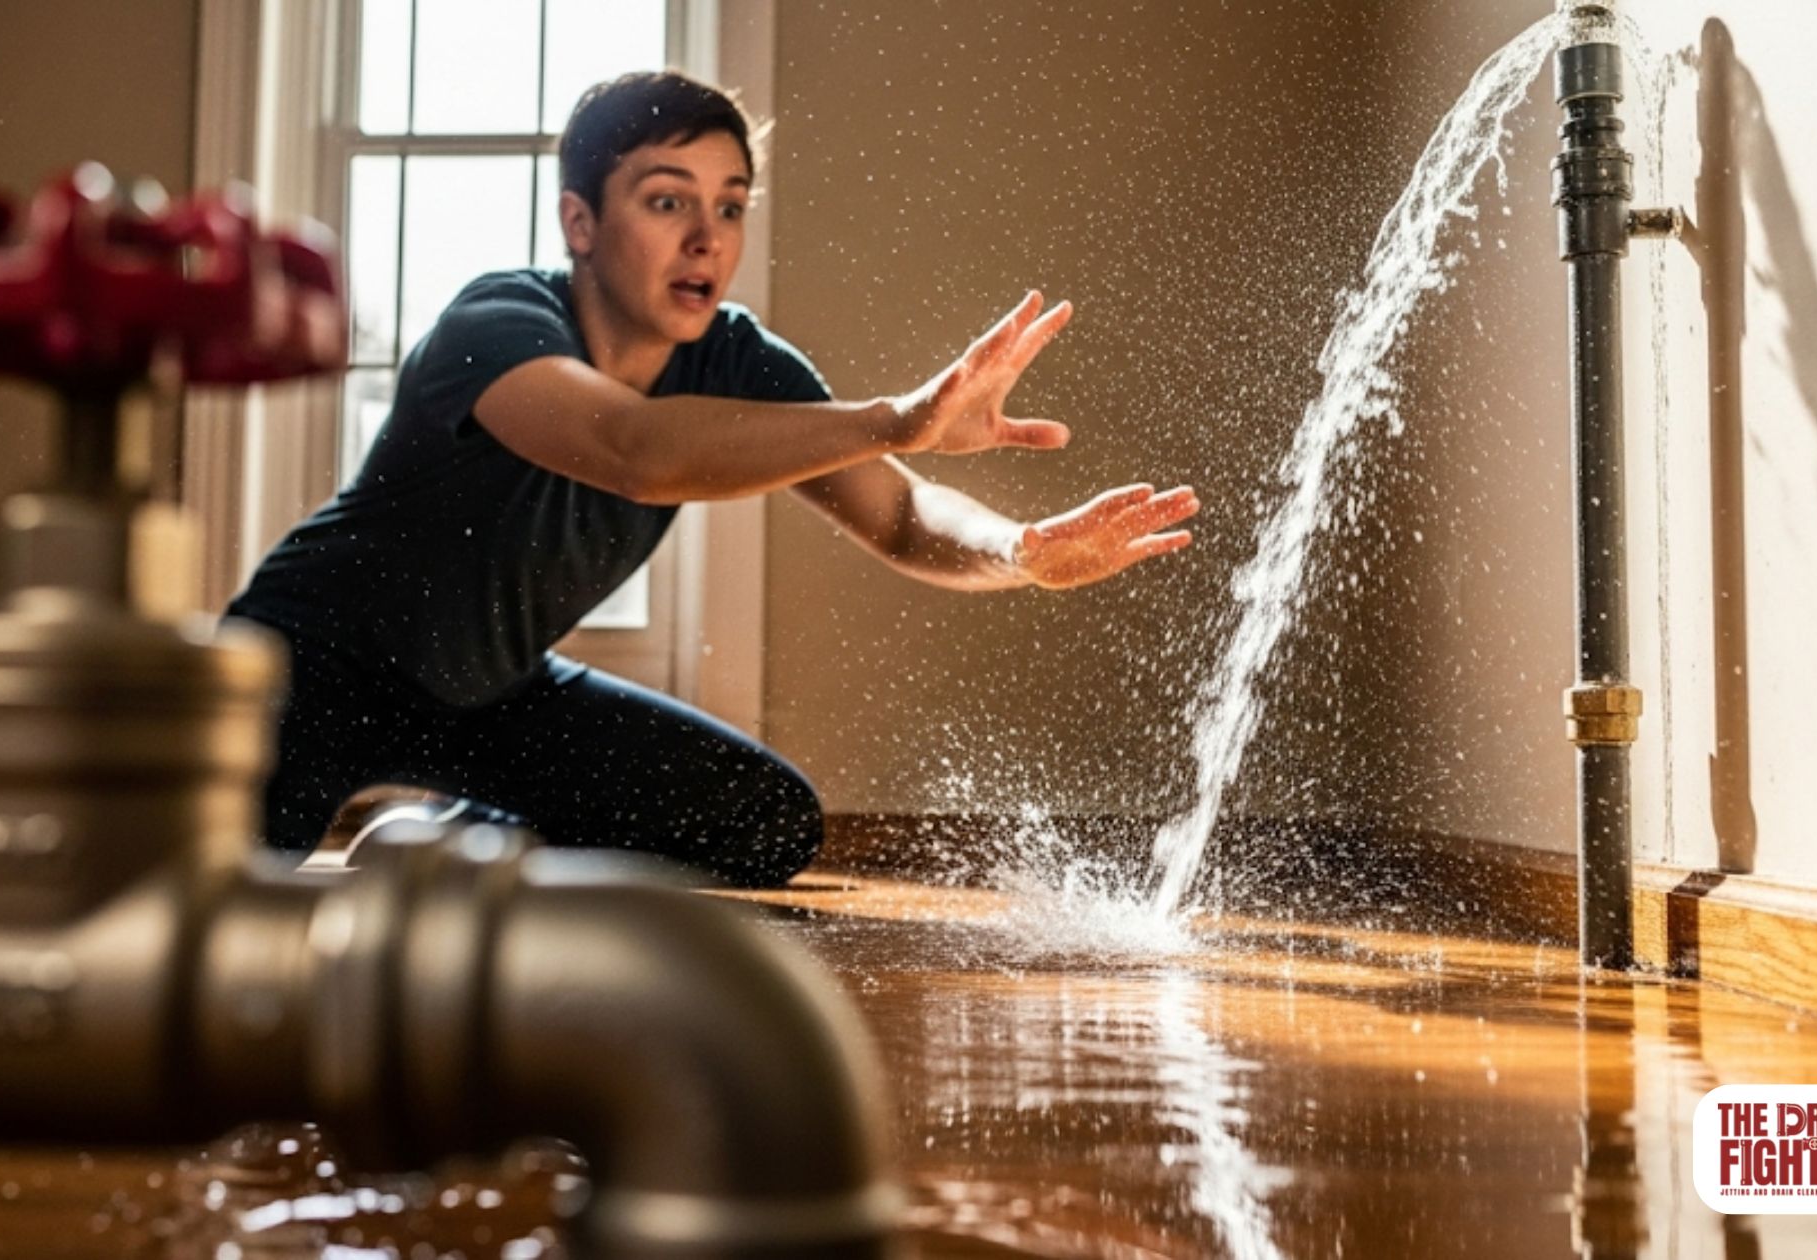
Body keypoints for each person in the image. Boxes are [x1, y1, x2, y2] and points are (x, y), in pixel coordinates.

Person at [226, 70, 1200, 887]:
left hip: (487, 693)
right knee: (205, 913)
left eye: (729, 205)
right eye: (667, 200)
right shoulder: (494, 324)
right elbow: (635, 452)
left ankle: (443, 841)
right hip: (308, 671)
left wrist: (1019, 552)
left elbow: (899, 517)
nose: (708, 238)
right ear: (579, 221)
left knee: (763, 822)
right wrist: (897, 417)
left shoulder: (740, 362)